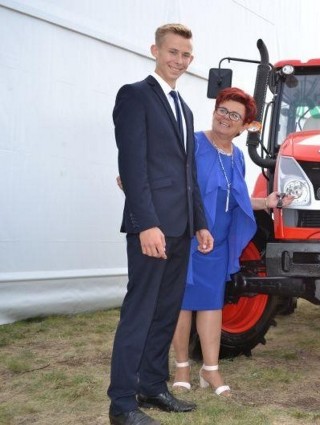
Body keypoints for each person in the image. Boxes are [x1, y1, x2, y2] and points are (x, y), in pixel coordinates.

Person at [108, 23, 213, 425]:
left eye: (186, 55)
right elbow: (131, 166)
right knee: (139, 312)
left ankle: (151, 386)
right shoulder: (135, 96)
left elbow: (188, 175)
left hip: (182, 229)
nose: (180, 61)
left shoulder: (184, 109)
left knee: (166, 313)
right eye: (173, 52)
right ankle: (121, 404)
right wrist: (146, 224)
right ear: (155, 50)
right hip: (151, 227)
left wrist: (200, 223)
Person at [170, 87, 293, 397]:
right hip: (190, 239)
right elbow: (170, 180)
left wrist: (268, 201)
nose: (225, 118)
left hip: (219, 244)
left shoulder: (237, 157)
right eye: (222, 110)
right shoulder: (193, 144)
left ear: (243, 126)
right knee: (183, 305)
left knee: (212, 305)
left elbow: (235, 200)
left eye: (234, 115)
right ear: (214, 111)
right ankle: (182, 365)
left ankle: (210, 370)